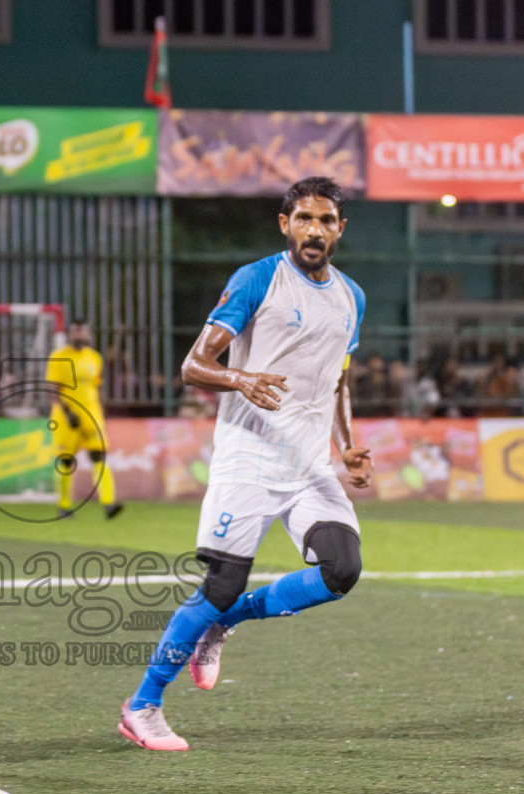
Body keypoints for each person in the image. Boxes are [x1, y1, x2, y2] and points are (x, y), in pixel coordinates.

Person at [118, 176, 372, 751]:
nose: (315, 230)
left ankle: (226, 622)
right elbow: (193, 365)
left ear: (340, 229)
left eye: (326, 220)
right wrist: (240, 377)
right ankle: (143, 705)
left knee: (342, 571)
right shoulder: (258, 279)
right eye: (304, 218)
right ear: (285, 224)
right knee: (221, 583)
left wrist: (348, 444)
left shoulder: (351, 297)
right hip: (249, 459)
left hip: (309, 468)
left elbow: (340, 380)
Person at [45, 319, 122, 518]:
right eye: (75, 331)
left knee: (99, 456)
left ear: (89, 334)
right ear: (70, 334)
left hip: (91, 415)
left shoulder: (94, 358)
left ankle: (109, 503)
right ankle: (64, 505)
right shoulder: (59, 357)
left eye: (83, 331)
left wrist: (101, 412)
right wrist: (68, 413)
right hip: (65, 417)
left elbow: (96, 387)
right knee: (65, 461)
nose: (79, 335)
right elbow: (53, 389)